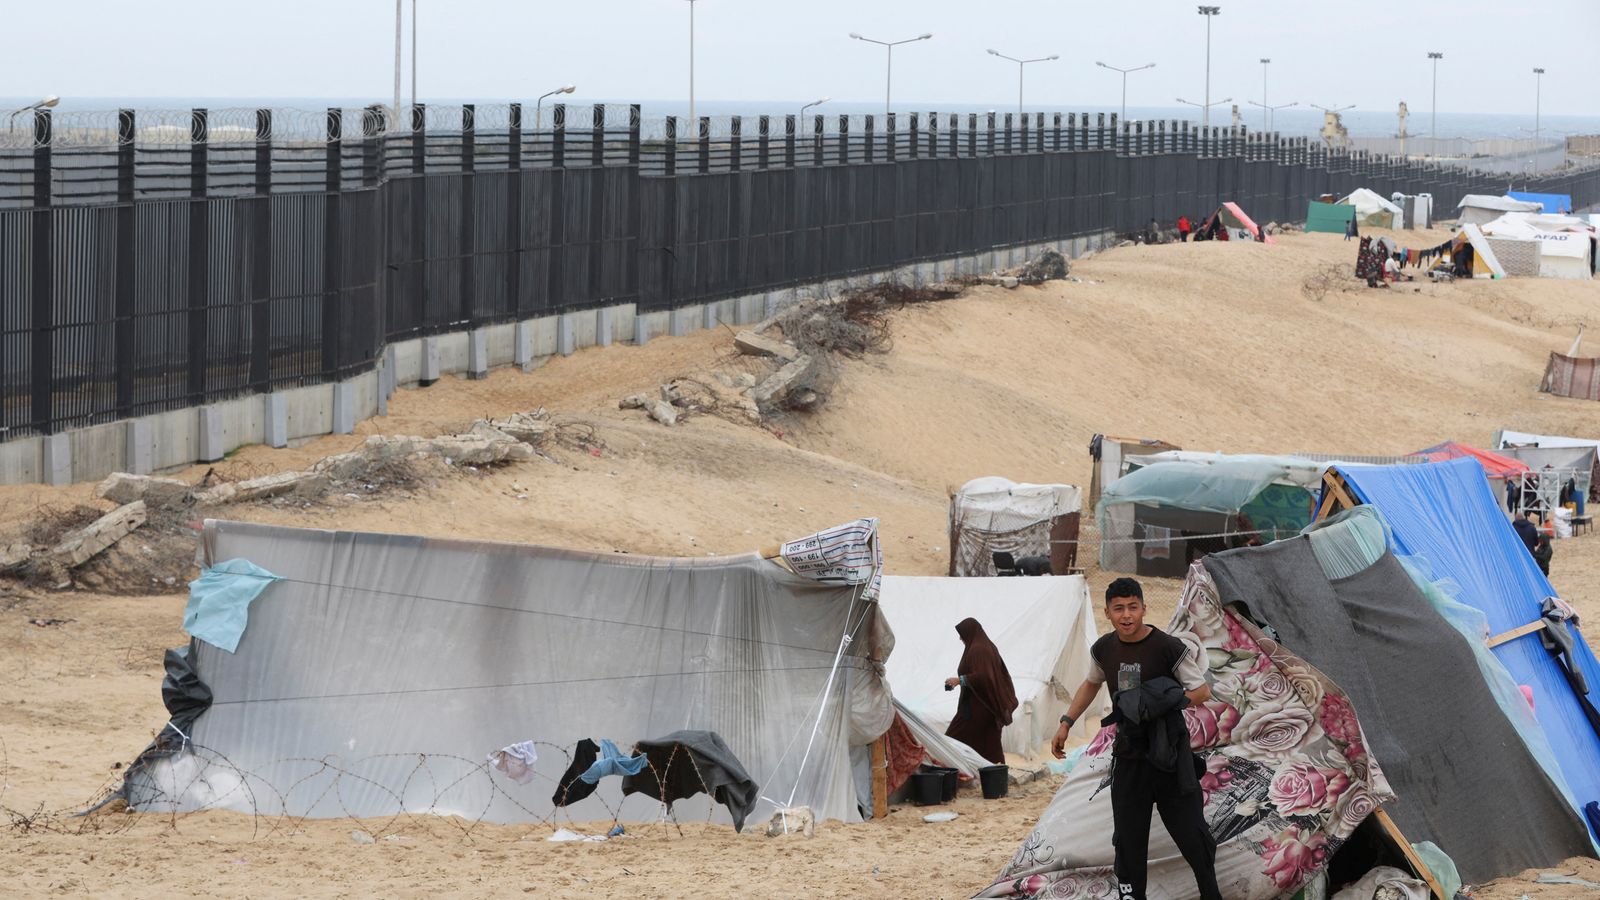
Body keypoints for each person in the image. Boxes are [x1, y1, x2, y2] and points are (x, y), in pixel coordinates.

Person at [1051, 578, 1220, 900]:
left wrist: (1166, 702)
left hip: (1171, 757)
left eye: (1132, 607)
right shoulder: (1104, 649)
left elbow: (1202, 691)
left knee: (1193, 836)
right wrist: (1066, 721)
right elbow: (1090, 683)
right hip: (1129, 758)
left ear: (1143, 608)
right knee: (1128, 841)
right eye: (1119, 609)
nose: (1126, 615)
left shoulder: (1168, 647)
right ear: (1108, 613)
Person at [943, 617, 1018, 765]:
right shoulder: (982, 646)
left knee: (953, 741)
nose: (960, 638)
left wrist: (960, 680)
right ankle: (996, 776)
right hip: (982, 707)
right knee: (989, 745)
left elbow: (985, 676)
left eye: (962, 634)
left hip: (979, 708)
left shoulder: (979, 649)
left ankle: (948, 770)